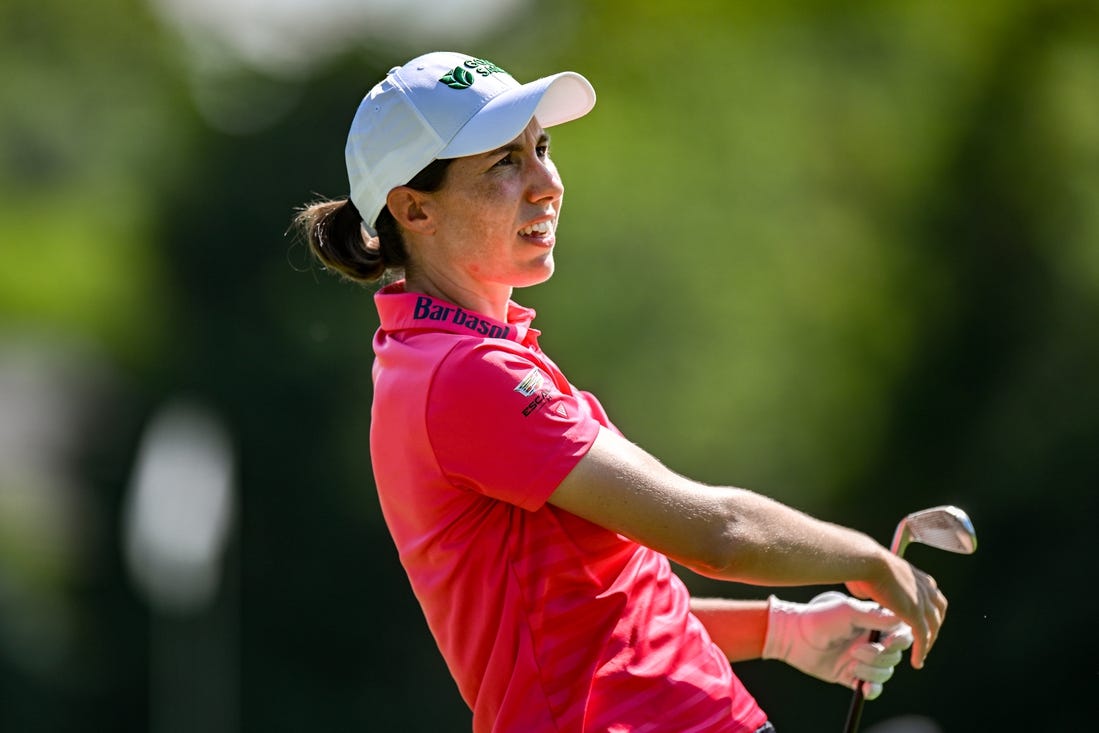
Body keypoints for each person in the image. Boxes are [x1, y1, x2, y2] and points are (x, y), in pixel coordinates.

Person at [293, 51, 947, 733]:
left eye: (540, 147)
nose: (546, 183)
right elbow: (716, 534)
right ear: (413, 208)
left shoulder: (456, 355)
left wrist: (783, 631)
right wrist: (866, 558)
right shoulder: (463, 374)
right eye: (503, 164)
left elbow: (600, 617)